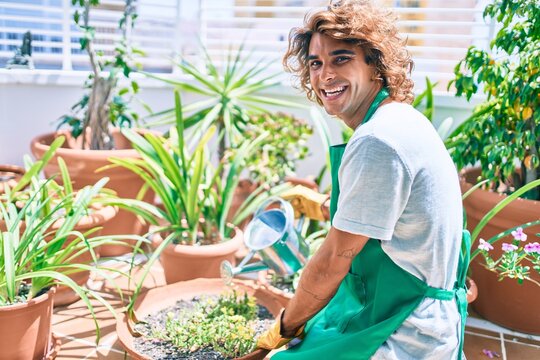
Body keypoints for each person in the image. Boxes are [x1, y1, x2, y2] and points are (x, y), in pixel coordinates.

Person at [238, 1, 469, 359]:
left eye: (341, 59)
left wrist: (282, 328)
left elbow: (333, 261)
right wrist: (322, 206)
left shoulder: (377, 141)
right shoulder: (400, 118)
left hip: (404, 332)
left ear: (375, 64)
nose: (324, 75)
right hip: (415, 312)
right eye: (316, 63)